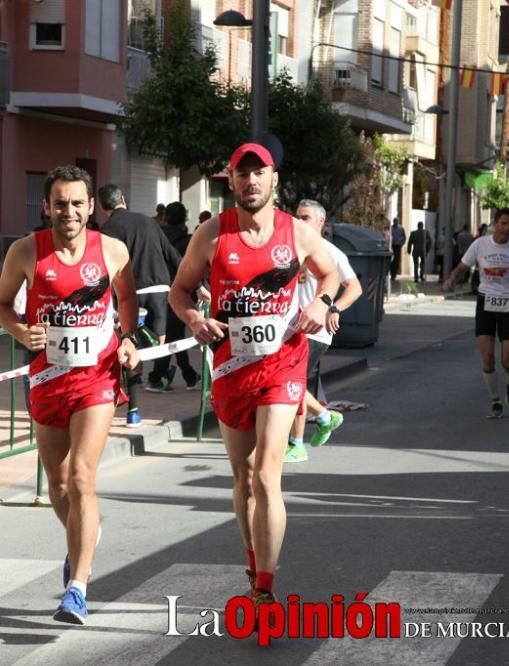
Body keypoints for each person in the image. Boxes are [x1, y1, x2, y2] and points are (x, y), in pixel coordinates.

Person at [169, 143, 341, 609]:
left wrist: (319, 303)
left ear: (273, 179)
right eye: (242, 173)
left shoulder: (298, 232)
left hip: (282, 365)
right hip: (230, 368)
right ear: (231, 179)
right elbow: (179, 291)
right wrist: (195, 320)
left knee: (267, 475)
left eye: (258, 172)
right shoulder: (211, 233)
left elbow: (330, 276)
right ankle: (252, 562)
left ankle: (265, 587)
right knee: (243, 477)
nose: (250, 181)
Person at [0, 165, 140, 625]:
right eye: (60, 203)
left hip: (96, 378)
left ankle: (77, 588)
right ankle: (85, 534)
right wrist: (21, 331)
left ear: (91, 206)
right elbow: (0, 305)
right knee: (57, 486)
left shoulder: (112, 250)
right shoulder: (24, 252)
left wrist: (130, 338)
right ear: (46, 206)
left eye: (78, 203)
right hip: (45, 379)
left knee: (80, 478)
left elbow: (128, 300)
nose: (69, 211)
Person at [284, 200, 362, 463]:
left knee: (292, 384)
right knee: (287, 383)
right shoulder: (291, 249)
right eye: (296, 216)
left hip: (314, 332)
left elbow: (354, 287)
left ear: (320, 222)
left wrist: (334, 308)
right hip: (286, 329)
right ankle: (325, 417)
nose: (298, 221)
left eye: (305, 217)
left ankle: (297, 443)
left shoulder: (331, 252)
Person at [443, 208, 509, 419]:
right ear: (495, 224)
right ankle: (495, 401)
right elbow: (462, 266)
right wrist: (451, 279)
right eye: (503, 223)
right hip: (486, 301)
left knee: (507, 361)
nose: (507, 228)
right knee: (487, 358)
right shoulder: (480, 244)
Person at [97, 184, 182, 391]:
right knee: (160, 341)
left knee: (129, 338)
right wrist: (195, 283)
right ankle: (158, 377)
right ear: (123, 200)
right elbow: (170, 253)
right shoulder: (148, 221)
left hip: (129, 293)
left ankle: (135, 382)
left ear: (101, 207)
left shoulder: (107, 230)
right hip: (159, 288)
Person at [148, 201, 200, 391]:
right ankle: (158, 376)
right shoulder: (188, 241)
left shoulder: (156, 237)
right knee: (174, 335)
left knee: (171, 335)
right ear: (184, 218)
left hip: (156, 291)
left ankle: (186, 374)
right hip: (179, 292)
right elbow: (192, 267)